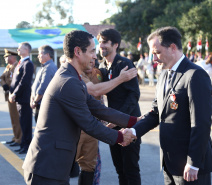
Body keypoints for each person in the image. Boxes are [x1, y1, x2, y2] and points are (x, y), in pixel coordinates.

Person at [22, 30, 137, 185]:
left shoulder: (71, 77)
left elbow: (97, 108)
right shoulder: (68, 81)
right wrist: (121, 137)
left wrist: (133, 121)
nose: (95, 56)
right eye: (91, 51)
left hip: (53, 167)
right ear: (77, 52)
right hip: (47, 169)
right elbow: (89, 123)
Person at [123, 26, 212, 185]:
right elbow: (156, 113)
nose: (154, 59)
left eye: (157, 52)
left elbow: (201, 123)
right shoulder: (163, 75)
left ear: (173, 47)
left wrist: (193, 162)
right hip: (169, 163)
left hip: (190, 167)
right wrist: (134, 131)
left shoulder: (194, 75)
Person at [76, 60, 137, 185]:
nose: (91, 61)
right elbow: (94, 91)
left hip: (93, 129)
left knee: (89, 166)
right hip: (77, 128)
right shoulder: (77, 74)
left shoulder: (98, 73)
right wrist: (121, 78)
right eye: (90, 56)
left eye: (94, 59)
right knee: (65, 165)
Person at [98, 28, 142, 185]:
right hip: (112, 124)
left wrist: (117, 119)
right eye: (100, 42)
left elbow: (134, 96)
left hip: (129, 123)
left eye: (104, 42)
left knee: (130, 169)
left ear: (115, 44)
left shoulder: (125, 64)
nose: (101, 45)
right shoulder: (102, 67)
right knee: (120, 169)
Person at [9, 42, 34, 154]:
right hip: (19, 98)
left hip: (24, 98)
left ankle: (27, 145)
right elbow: (15, 81)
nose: (18, 50)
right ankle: (23, 144)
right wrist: (11, 92)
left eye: (20, 48)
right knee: (22, 123)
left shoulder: (28, 63)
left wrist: (15, 93)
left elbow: (24, 82)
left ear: (27, 50)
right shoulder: (20, 63)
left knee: (26, 123)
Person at [0, 49, 22, 146]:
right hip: (9, 95)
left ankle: (19, 139)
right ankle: (15, 137)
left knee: (17, 118)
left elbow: (15, 81)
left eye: (6, 56)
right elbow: (2, 78)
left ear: (12, 57)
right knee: (13, 118)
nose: (5, 58)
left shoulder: (17, 66)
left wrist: (6, 85)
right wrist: (4, 84)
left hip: (14, 95)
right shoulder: (9, 67)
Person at [30, 45, 57, 122]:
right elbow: (36, 85)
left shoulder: (49, 67)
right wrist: (32, 97)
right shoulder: (44, 67)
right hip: (39, 103)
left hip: (43, 104)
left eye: (40, 54)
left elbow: (43, 87)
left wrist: (35, 101)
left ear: (47, 54)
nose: (38, 56)